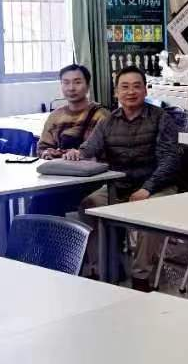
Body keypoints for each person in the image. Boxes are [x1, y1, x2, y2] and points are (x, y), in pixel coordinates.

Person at [74, 65, 179, 290]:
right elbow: (89, 149)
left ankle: (140, 276)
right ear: (116, 92)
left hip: (156, 186)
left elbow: (169, 161)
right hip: (119, 186)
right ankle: (104, 266)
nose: (131, 92)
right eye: (125, 87)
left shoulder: (162, 119)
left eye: (136, 86)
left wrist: (147, 188)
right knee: (88, 205)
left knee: (150, 212)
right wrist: (76, 154)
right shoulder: (108, 122)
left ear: (145, 90)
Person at [29, 64, 110, 216]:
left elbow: (102, 153)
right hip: (58, 176)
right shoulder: (56, 116)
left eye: (77, 82)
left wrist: (72, 154)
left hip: (90, 180)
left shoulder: (101, 115)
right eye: (66, 83)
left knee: (47, 201)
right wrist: (47, 153)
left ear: (87, 86)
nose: (71, 88)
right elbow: (42, 147)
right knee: (40, 200)